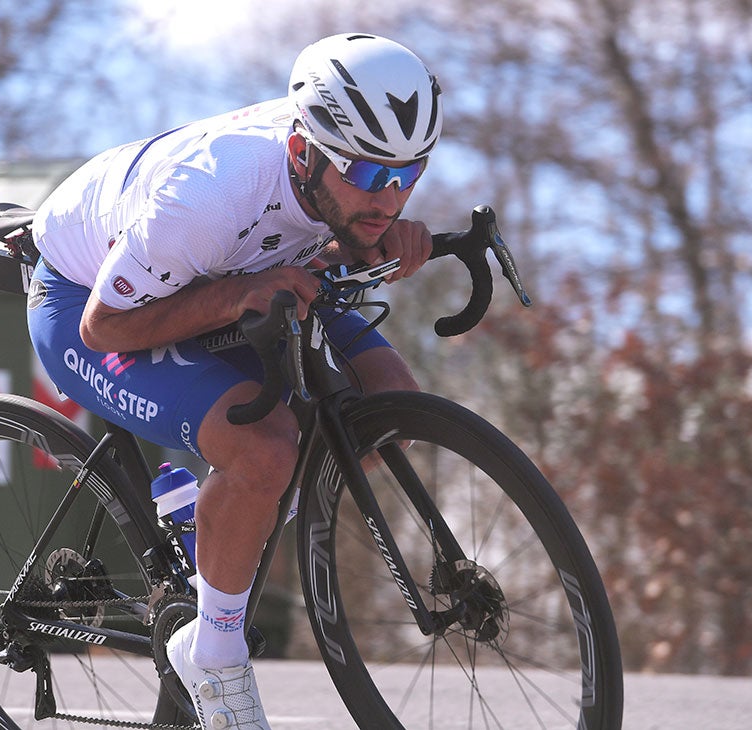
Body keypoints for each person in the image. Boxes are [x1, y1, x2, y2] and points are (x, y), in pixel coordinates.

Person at [25, 33, 443, 730]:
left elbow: (318, 236)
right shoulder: (210, 195)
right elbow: (108, 327)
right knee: (266, 447)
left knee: (393, 404)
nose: (390, 196)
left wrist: (384, 243)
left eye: (409, 175)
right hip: (91, 305)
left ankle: (218, 525)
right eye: (371, 177)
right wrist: (233, 297)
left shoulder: (336, 179)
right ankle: (212, 653)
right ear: (304, 152)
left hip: (241, 269)